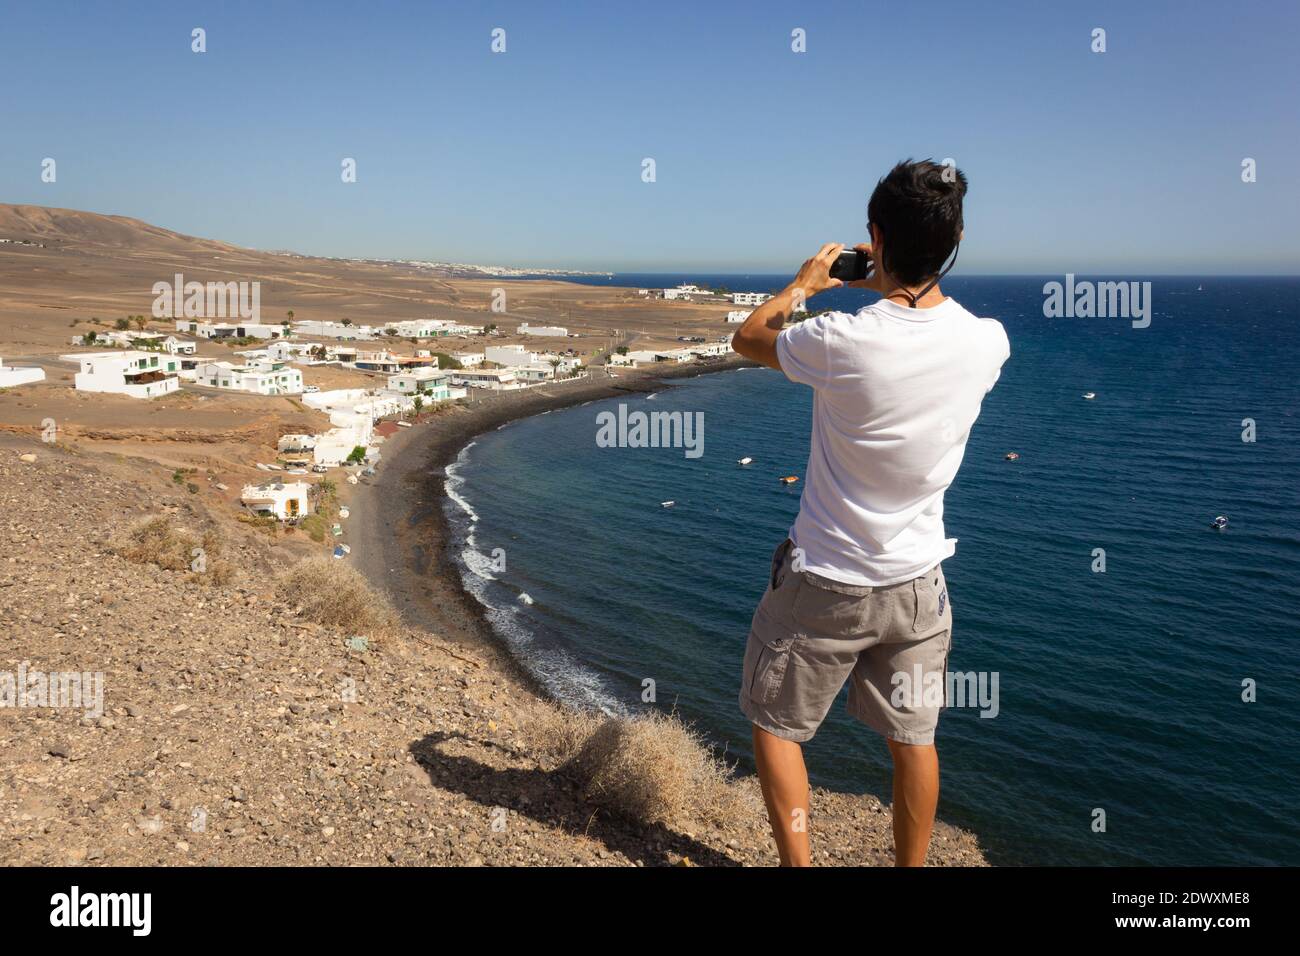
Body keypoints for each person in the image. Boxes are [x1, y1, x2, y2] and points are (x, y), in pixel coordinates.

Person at [730, 159, 1010, 866]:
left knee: (778, 726)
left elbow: (750, 337)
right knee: (914, 739)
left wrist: (804, 283)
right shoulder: (988, 342)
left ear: (874, 238)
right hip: (919, 587)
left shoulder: (840, 341)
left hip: (825, 580)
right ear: (958, 240)